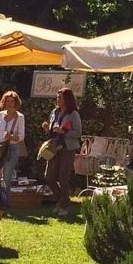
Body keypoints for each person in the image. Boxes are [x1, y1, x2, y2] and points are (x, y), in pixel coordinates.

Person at [42, 87, 82, 217]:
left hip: (67, 148)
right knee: (49, 177)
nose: (58, 99)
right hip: (54, 148)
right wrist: (47, 129)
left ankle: (63, 206)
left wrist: (64, 132)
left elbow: (78, 132)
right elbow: (53, 130)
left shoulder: (73, 114)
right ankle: (64, 202)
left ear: (67, 99)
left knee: (63, 178)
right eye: (57, 97)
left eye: (61, 97)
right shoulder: (54, 112)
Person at [0, 91, 26, 186]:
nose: (9, 103)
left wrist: (11, 137)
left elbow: (21, 136)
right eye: (7, 101)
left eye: (12, 101)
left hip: (11, 149)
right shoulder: (0, 114)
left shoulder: (20, 117)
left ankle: (5, 195)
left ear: (16, 103)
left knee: (6, 178)